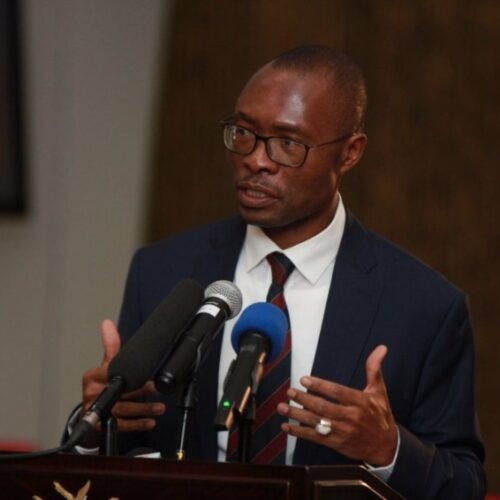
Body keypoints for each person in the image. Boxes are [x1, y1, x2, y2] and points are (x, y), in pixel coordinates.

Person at [76, 45, 485, 499]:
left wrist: (387, 449)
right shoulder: (162, 272)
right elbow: (113, 460)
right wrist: (97, 422)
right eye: (243, 133)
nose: (256, 159)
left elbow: (464, 485)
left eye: (288, 143)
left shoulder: (424, 307)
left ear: (350, 153)